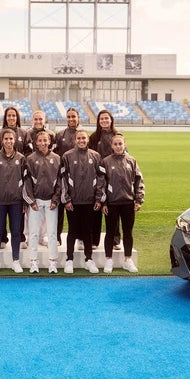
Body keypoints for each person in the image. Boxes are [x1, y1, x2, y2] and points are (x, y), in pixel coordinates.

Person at [60, 129, 105, 274]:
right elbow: (62, 180)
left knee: (87, 231)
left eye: (83, 138)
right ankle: (69, 259)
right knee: (72, 231)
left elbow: (101, 179)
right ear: (75, 140)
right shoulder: (67, 156)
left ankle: (88, 260)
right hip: (72, 201)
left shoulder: (96, 156)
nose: (81, 140)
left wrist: (98, 198)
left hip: (89, 201)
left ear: (87, 139)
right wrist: (66, 199)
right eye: (78, 138)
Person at [101, 133, 144, 273]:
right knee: (110, 232)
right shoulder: (105, 161)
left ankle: (127, 259)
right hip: (112, 203)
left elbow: (139, 180)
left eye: (120, 144)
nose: (118, 146)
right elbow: (101, 184)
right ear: (111, 146)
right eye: (115, 144)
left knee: (128, 232)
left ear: (125, 144)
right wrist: (103, 202)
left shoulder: (132, 160)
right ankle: (108, 260)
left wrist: (139, 200)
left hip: (128, 202)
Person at [23, 130, 62, 273]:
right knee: (33, 233)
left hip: (51, 202)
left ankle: (52, 262)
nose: (43, 143)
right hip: (36, 202)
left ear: (49, 141)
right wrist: (31, 201)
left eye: (45, 140)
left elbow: (60, 182)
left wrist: (56, 199)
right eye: (40, 140)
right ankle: (33, 261)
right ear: (36, 142)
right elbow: (27, 182)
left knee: (52, 233)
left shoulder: (57, 158)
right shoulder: (30, 159)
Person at [0, 128, 25, 273]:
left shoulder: (21, 158)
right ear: (2, 141)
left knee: (16, 231)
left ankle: (15, 261)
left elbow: (25, 181)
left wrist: (25, 201)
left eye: (11, 139)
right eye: (6, 139)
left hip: (16, 201)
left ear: (15, 140)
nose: (8, 141)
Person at [0, 106, 27, 250]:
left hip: (17, 170)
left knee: (18, 212)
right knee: (0, 214)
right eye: (9, 115)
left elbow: (29, 154)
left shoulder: (24, 133)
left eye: (14, 115)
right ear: (5, 117)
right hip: (2, 172)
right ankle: (3, 238)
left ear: (17, 117)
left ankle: (20, 237)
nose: (11, 118)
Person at [89, 109, 120, 250]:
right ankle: (94, 240)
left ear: (111, 120)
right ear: (98, 121)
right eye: (101, 119)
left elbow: (123, 154)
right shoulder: (94, 137)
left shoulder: (117, 135)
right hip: (97, 176)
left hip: (113, 176)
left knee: (113, 208)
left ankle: (115, 239)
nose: (104, 121)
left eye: (106, 118)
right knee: (96, 206)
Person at [52, 107, 80, 246]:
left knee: (77, 208)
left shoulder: (82, 134)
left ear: (78, 118)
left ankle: (79, 237)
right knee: (60, 207)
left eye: (73, 116)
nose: (71, 119)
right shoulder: (59, 135)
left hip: (78, 176)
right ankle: (57, 236)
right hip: (61, 176)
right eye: (69, 117)